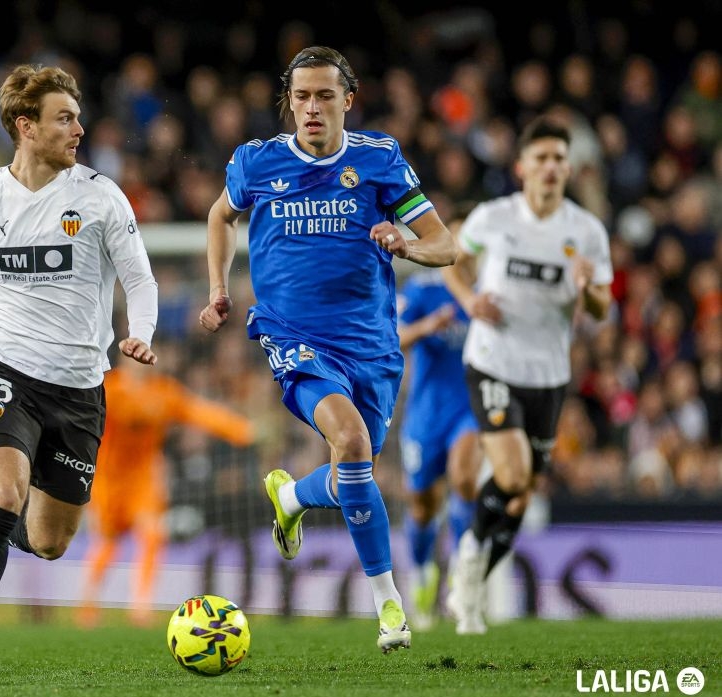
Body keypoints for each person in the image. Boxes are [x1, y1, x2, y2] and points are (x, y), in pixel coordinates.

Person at [198, 45, 457, 653]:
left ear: (349, 98)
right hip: (293, 337)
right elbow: (219, 216)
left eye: (324, 96)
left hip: (372, 345)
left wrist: (406, 245)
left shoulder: (380, 159)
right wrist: (217, 289)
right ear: (288, 102)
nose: (311, 108)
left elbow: (444, 245)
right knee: (351, 442)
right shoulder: (256, 163)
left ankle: (289, 496)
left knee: (353, 475)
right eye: (300, 97)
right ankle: (389, 605)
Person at [0, 64, 158, 683]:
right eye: (64, 118)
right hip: (4, 365)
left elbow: (139, 278)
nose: (79, 127)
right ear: (26, 126)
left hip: (79, 385)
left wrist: (142, 334)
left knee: (49, 542)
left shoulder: (100, 195)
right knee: (3, 492)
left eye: (77, 116)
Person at [442, 116, 613, 635]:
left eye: (559, 158)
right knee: (513, 475)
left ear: (569, 167)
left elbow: (603, 308)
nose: (551, 168)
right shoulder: (494, 218)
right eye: (541, 158)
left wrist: (587, 289)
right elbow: (452, 258)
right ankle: (469, 552)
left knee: (523, 490)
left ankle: (470, 582)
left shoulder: (585, 231)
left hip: (549, 373)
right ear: (522, 168)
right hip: (493, 360)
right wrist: (471, 301)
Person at [76, 356, 255, 629]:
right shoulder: (110, 389)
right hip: (107, 479)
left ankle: (141, 606)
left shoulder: (163, 392)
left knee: (152, 534)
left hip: (143, 479)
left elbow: (199, 411)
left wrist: (241, 431)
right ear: (126, 360)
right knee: (107, 542)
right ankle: (88, 603)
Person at [396, 205, 483, 631]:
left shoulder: (488, 292)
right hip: (426, 413)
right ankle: (423, 572)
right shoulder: (424, 288)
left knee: (464, 477)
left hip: (470, 407)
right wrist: (429, 326)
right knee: (423, 505)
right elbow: (393, 337)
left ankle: (464, 576)